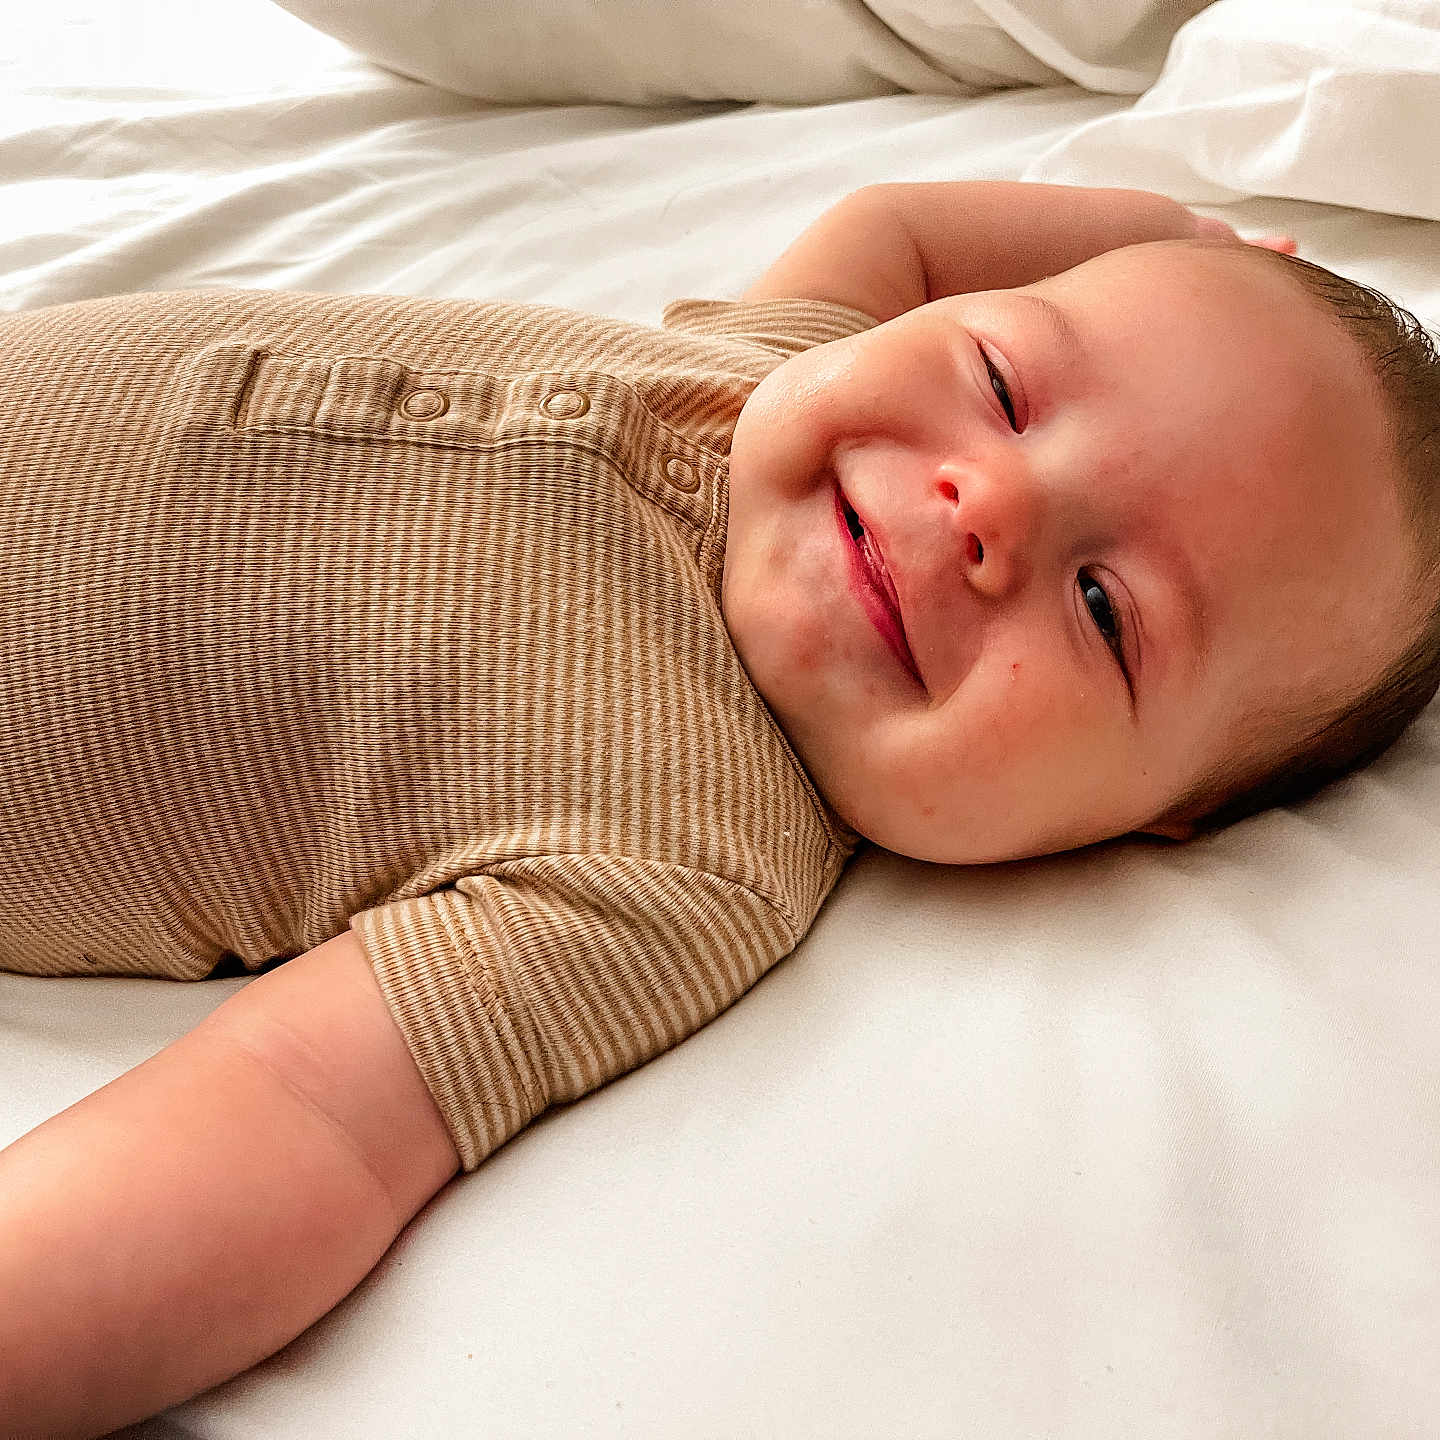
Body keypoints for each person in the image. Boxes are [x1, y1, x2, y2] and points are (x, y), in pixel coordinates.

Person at [1, 180, 1437, 1439]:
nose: (986, 496)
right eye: (1004, 380)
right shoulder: (765, 370)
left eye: (1105, 608)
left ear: (1151, 821)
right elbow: (905, 227)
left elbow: (303, 1115)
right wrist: (1168, 231)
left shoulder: (686, 855)